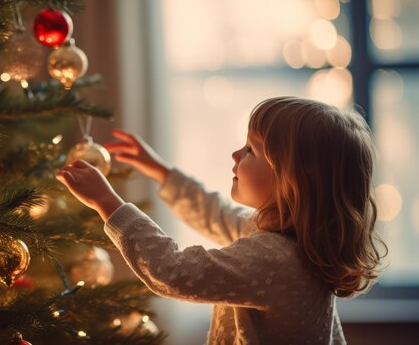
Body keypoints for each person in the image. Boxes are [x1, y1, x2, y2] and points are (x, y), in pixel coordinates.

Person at [56, 97, 388, 344]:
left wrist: (108, 203)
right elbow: (216, 215)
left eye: (251, 151)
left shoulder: (275, 259)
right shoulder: (286, 240)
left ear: (292, 181)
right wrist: (162, 172)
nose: (235, 155)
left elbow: (172, 270)